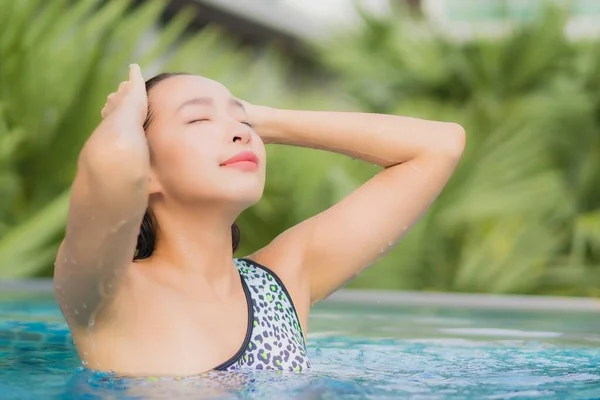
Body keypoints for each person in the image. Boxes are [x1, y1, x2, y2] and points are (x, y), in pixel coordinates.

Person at [53, 64, 465, 377]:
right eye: (198, 119)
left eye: (242, 122)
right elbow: (109, 168)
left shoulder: (282, 282)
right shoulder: (105, 293)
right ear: (147, 170)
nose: (240, 133)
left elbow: (440, 146)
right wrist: (124, 113)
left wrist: (261, 119)